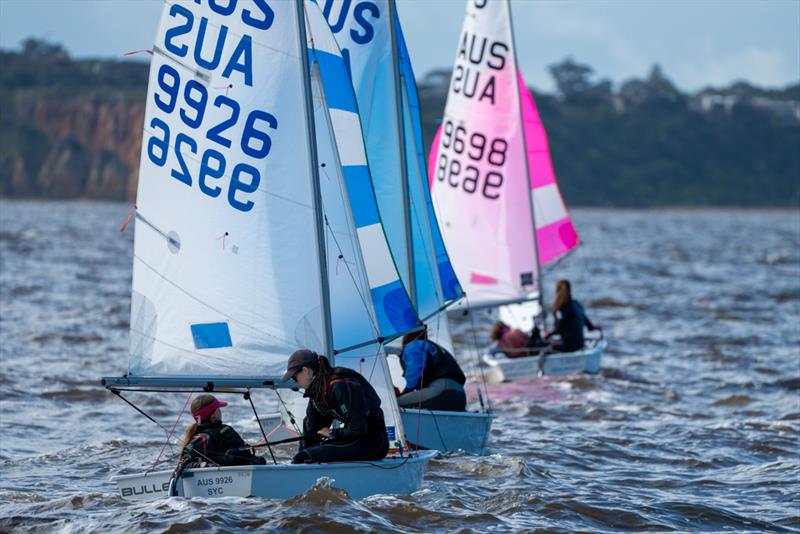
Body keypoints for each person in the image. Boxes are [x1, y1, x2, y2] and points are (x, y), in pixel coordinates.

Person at [283, 349, 389, 464]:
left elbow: (358, 428)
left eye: (295, 378)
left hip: (372, 442)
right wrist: (303, 451)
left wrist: (332, 433)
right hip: (352, 441)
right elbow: (311, 432)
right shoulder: (318, 392)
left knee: (303, 457)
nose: (296, 383)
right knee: (303, 455)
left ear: (305, 371)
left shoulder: (340, 384)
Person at [179, 394, 266, 467]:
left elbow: (184, 462)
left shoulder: (194, 436)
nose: (220, 412)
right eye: (218, 409)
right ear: (214, 415)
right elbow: (245, 456)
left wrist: (203, 465)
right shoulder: (226, 430)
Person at [396, 328, 467, 411]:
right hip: (460, 395)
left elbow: (415, 371)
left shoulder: (413, 346)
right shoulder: (432, 346)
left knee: (395, 404)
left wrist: (407, 390)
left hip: (441, 391)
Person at [545, 279, 599, 352]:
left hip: (570, 347)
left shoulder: (562, 309)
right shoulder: (577, 304)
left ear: (557, 292)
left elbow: (559, 328)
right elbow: (588, 325)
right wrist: (593, 328)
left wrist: (548, 335)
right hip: (580, 344)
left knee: (544, 348)